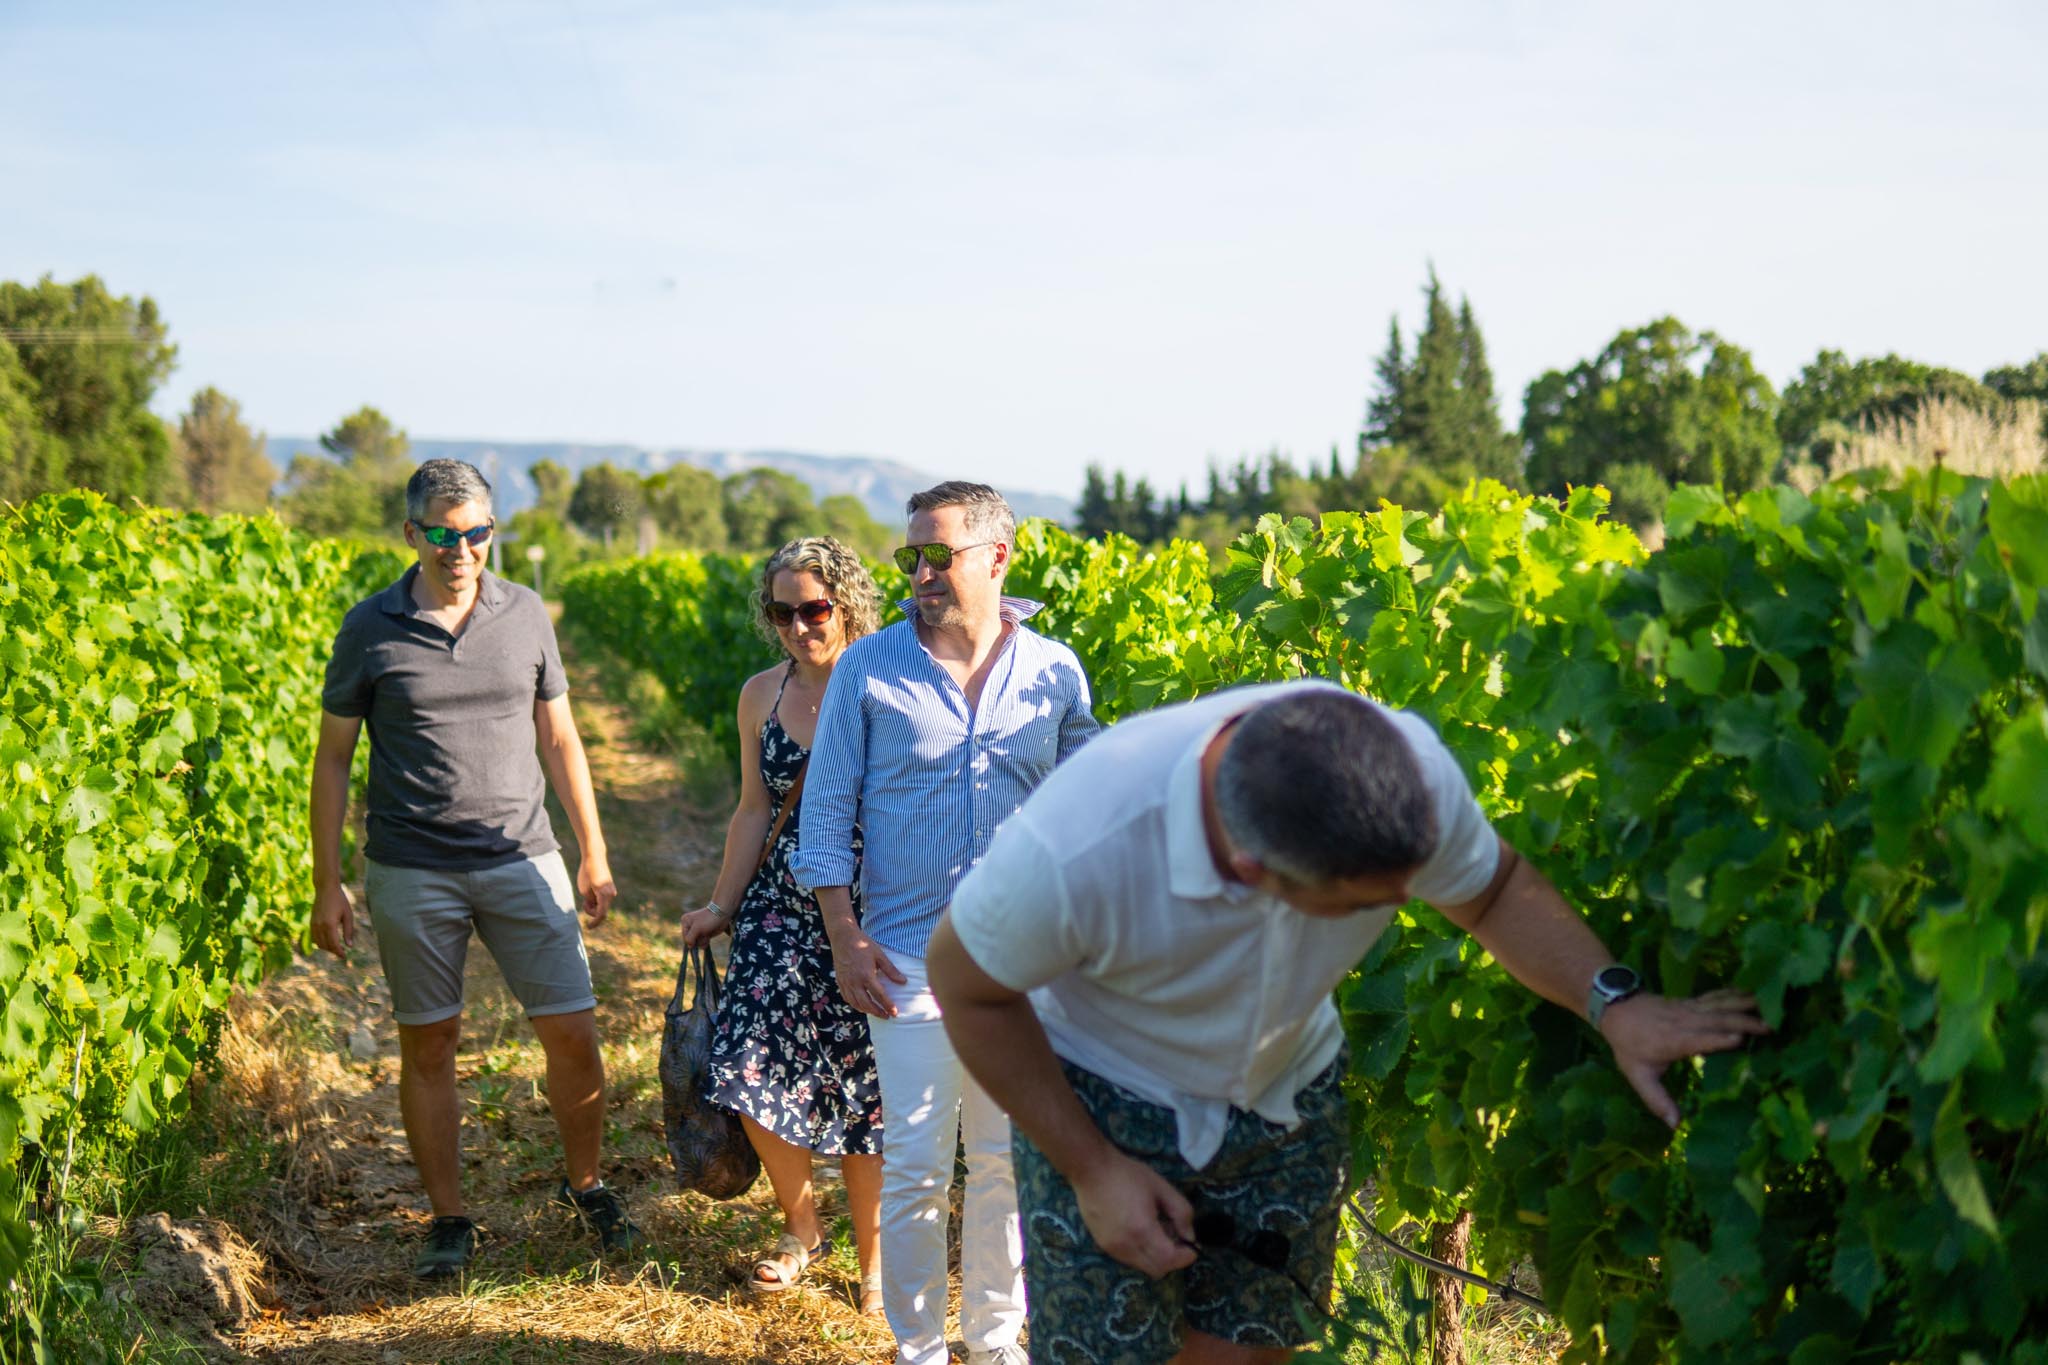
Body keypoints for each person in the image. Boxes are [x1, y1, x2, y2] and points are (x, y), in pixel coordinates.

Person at [926, 681, 1771, 1365]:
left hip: (1289, 1093)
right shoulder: (1083, 843)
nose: (1410, 905)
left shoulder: (1401, 776)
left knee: (1251, 1352)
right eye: (1371, 906)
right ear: (1256, 872)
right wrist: (1091, 1167)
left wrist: (1614, 1003)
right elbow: (965, 986)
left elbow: (1493, 890)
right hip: (1097, 1100)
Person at [310, 458, 638, 1281]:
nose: (462, 550)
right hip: (411, 867)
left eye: (477, 533)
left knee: (572, 1028)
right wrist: (327, 879)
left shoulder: (525, 613)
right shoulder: (369, 626)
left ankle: (586, 1184)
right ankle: (450, 1216)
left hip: (524, 853)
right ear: (413, 532)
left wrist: (591, 850)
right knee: (431, 1042)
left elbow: (561, 739)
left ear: (494, 532)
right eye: (444, 534)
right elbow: (334, 760)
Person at [794, 481, 1100, 1365]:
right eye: (912, 555)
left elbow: (1087, 810)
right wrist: (845, 935)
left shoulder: (1054, 671)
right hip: (905, 956)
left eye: (940, 555)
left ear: (997, 558)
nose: (922, 572)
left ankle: (997, 1342)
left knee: (1008, 1165)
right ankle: (920, 1349)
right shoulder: (870, 667)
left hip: (1025, 964)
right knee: (920, 1166)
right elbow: (825, 814)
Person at [679, 536, 887, 1314]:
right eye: (783, 612)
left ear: (846, 601)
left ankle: (874, 1259)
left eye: (815, 608)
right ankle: (803, 1228)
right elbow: (753, 809)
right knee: (748, 1061)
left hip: (872, 907)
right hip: (778, 904)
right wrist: (721, 905)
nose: (800, 625)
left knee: (865, 1087)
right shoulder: (760, 694)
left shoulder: (886, 682)